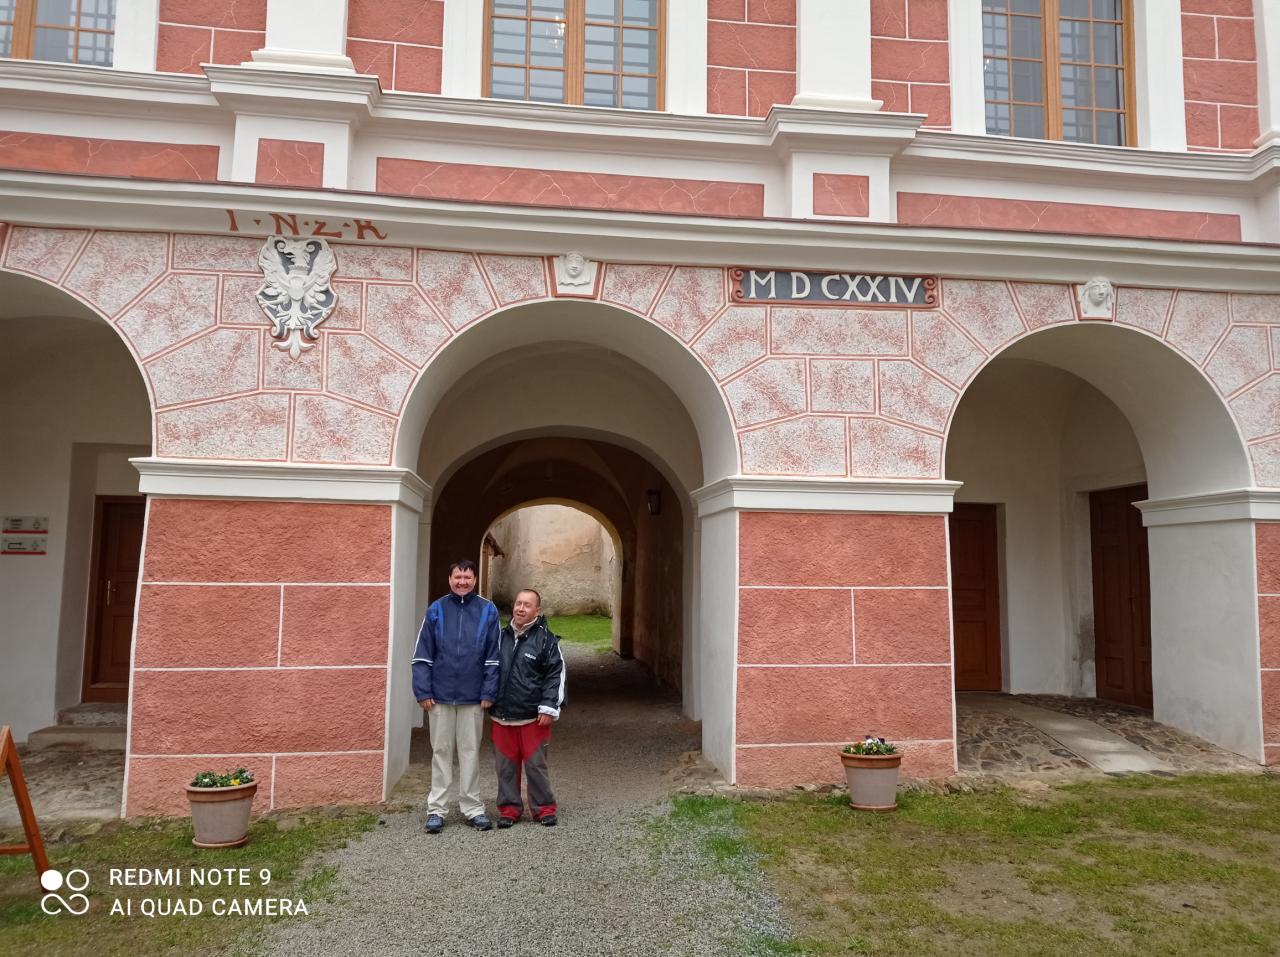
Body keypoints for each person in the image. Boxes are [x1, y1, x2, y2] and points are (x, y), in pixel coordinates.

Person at [412, 559, 501, 834]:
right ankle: (436, 810)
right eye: (457, 577)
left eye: (467, 577)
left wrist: (488, 691)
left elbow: (494, 657)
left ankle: (472, 808)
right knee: (440, 752)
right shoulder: (436, 610)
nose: (462, 582)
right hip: (439, 696)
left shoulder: (488, 610)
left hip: (473, 697)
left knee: (470, 752)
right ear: (450, 579)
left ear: (475, 580)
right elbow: (422, 655)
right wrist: (423, 690)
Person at [491, 588, 566, 828]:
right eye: (518, 603)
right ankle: (509, 808)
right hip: (502, 716)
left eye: (527, 605)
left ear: (537, 611)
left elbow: (555, 675)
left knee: (536, 766)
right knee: (505, 767)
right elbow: (489, 669)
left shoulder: (546, 641)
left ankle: (544, 808)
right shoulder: (499, 637)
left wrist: (549, 706)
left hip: (533, 717)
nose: (521, 608)